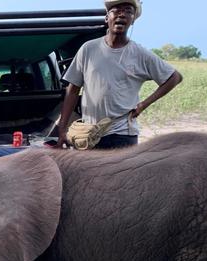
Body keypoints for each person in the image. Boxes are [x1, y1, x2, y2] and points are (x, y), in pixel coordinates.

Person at [56, 0, 182, 149]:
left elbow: (174, 77)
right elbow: (73, 89)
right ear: (106, 17)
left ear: (133, 20)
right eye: (116, 11)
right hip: (88, 134)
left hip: (123, 134)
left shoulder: (140, 54)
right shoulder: (88, 49)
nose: (122, 14)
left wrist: (143, 105)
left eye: (128, 11)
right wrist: (62, 128)